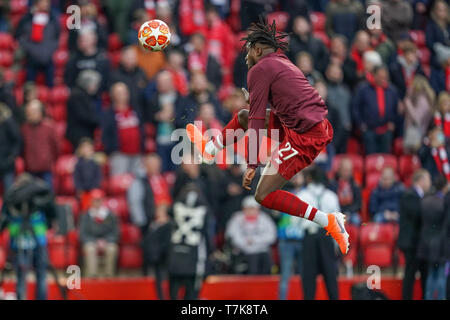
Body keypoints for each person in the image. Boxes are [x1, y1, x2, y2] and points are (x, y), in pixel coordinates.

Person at [186, 17, 350, 255]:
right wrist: (256, 103)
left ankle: (328, 221)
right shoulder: (282, 62)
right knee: (243, 115)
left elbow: (255, 123)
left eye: (248, 51)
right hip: (304, 124)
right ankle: (209, 149)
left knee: (263, 194)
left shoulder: (260, 69)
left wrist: (252, 164)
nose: (245, 57)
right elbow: (263, 111)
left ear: (259, 49)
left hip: (304, 135)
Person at [0, 173, 56, 300]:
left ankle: (21, 297)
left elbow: (3, 220)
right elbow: (52, 215)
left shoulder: (11, 195)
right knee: (41, 274)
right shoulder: (42, 193)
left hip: (20, 241)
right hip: (38, 239)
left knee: (21, 275)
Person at [297, 166, 341, 300]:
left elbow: (295, 220)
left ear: (309, 179)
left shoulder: (302, 195)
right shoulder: (331, 196)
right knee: (330, 274)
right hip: (326, 236)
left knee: (309, 276)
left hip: (309, 237)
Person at [168, 183, 214, 300]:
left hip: (175, 259)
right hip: (194, 261)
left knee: (173, 295)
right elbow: (208, 237)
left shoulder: (174, 207)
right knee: (192, 296)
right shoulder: (204, 210)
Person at [398, 169, 432, 300]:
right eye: (428, 179)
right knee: (410, 275)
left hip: (420, 243)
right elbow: (418, 213)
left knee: (424, 273)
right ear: (421, 180)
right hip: (411, 244)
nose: (430, 183)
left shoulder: (421, 196)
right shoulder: (409, 195)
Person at [352, 65, 399, 154]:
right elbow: (355, 108)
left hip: (386, 130)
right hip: (368, 129)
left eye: (385, 77)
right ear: (374, 75)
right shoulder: (363, 89)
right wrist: (361, 124)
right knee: (371, 156)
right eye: (380, 77)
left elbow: (396, 109)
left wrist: (393, 122)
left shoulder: (392, 90)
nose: (383, 79)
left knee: (385, 157)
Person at [225, 195, 277, 275]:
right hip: (243, 252)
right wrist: (246, 244)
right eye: (248, 208)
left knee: (266, 267)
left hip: (262, 251)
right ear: (244, 209)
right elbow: (232, 236)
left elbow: (272, 236)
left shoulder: (265, 219)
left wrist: (254, 240)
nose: (250, 211)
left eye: (253, 208)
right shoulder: (236, 219)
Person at [102, 82, 145, 176]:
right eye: (119, 93)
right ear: (113, 95)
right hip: (119, 155)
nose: (123, 96)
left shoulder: (134, 111)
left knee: (137, 184)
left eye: (124, 92)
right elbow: (105, 135)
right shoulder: (109, 114)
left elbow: (141, 129)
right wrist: (112, 150)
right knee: (119, 184)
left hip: (137, 154)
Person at [15, 0, 60, 87]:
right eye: (43, 2)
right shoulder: (27, 18)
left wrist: (50, 50)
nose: (46, 4)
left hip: (47, 56)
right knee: (29, 84)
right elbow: (19, 35)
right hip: (31, 57)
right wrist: (30, 50)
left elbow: (56, 36)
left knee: (51, 85)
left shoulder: (52, 18)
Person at [417, 175, 449, 300]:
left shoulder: (425, 200)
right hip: (440, 244)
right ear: (445, 187)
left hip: (426, 243)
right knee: (441, 275)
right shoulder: (444, 202)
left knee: (431, 274)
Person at [79, 189, 119, 278]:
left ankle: (109, 276)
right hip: (91, 241)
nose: (96, 203)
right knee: (90, 249)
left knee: (112, 249)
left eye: (99, 200)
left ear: (102, 201)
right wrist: (95, 241)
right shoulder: (85, 216)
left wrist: (106, 241)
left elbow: (115, 232)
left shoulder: (111, 215)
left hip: (107, 241)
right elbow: (83, 234)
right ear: (91, 201)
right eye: (94, 200)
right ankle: (92, 276)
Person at [277, 173, 305, 300]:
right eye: (294, 176)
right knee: (285, 275)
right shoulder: (283, 193)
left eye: (299, 176)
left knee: (305, 275)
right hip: (286, 239)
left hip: (303, 239)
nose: (295, 178)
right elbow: (276, 213)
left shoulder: (309, 194)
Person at [21, 99, 59, 188]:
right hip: (30, 169)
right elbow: (22, 148)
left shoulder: (49, 127)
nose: (31, 114)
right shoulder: (24, 129)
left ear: (40, 112)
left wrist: (50, 159)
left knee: (48, 196)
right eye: (29, 112)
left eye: (34, 111)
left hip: (46, 168)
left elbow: (56, 147)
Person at [64, 29, 110, 93]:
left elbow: (106, 79)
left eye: (84, 40)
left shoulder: (102, 58)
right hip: (78, 93)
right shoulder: (74, 58)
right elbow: (69, 79)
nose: (81, 42)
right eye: (80, 40)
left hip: (97, 94)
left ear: (93, 41)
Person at [142, 203, 172, 299]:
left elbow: (167, 242)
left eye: (160, 211)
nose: (157, 213)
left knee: (164, 282)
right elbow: (147, 240)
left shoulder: (169, 225)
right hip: (153, 257)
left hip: (163, 258)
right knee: (158, 282)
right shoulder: (153, 225)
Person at [66, 70, 101, 149]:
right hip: (79, 134)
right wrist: (98, 121)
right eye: (95, 84)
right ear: (87, 84)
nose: (96, 87)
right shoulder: (77, 96)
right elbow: (83, 116)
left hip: (84, 132)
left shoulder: (84, 95)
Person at [109, 46, 149, 116]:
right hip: (122, 112)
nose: (131, 60)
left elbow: (146, 91)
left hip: (142, 110)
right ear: (122, 58)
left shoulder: (141, 72)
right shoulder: (115, 75)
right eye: (128, 57)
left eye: (133, 57)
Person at [402, 76, 435, 154]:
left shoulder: (423, 100)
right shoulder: (418, 99)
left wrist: (408, 103)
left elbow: (417, 119)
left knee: (414, 159)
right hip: (415, 133)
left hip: (417, 134)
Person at [330, 158, 362, 225]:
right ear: (339, 170)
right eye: (345, 170)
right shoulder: (332, 184)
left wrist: (348, 212)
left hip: (351, 212)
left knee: (357, 220)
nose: (347, 173)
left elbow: (358, 203)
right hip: (337, 212)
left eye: (349, 171)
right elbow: (331, 202)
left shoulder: (355, 185)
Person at [74, 138, 102, 212]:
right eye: (84, 147)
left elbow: (98, 177)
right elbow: (77, 178)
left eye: (88, 147)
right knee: (85, 209)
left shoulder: (95, 164)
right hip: (84, 192)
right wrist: (80, 189)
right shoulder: (78, 164)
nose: (86, 150)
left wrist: (95, 188)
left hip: (93, 191)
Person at [0, 102, 21, 191]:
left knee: (10, 193)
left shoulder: (8, 123)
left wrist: (12, 156)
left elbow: (17, 140)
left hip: (6, 163)